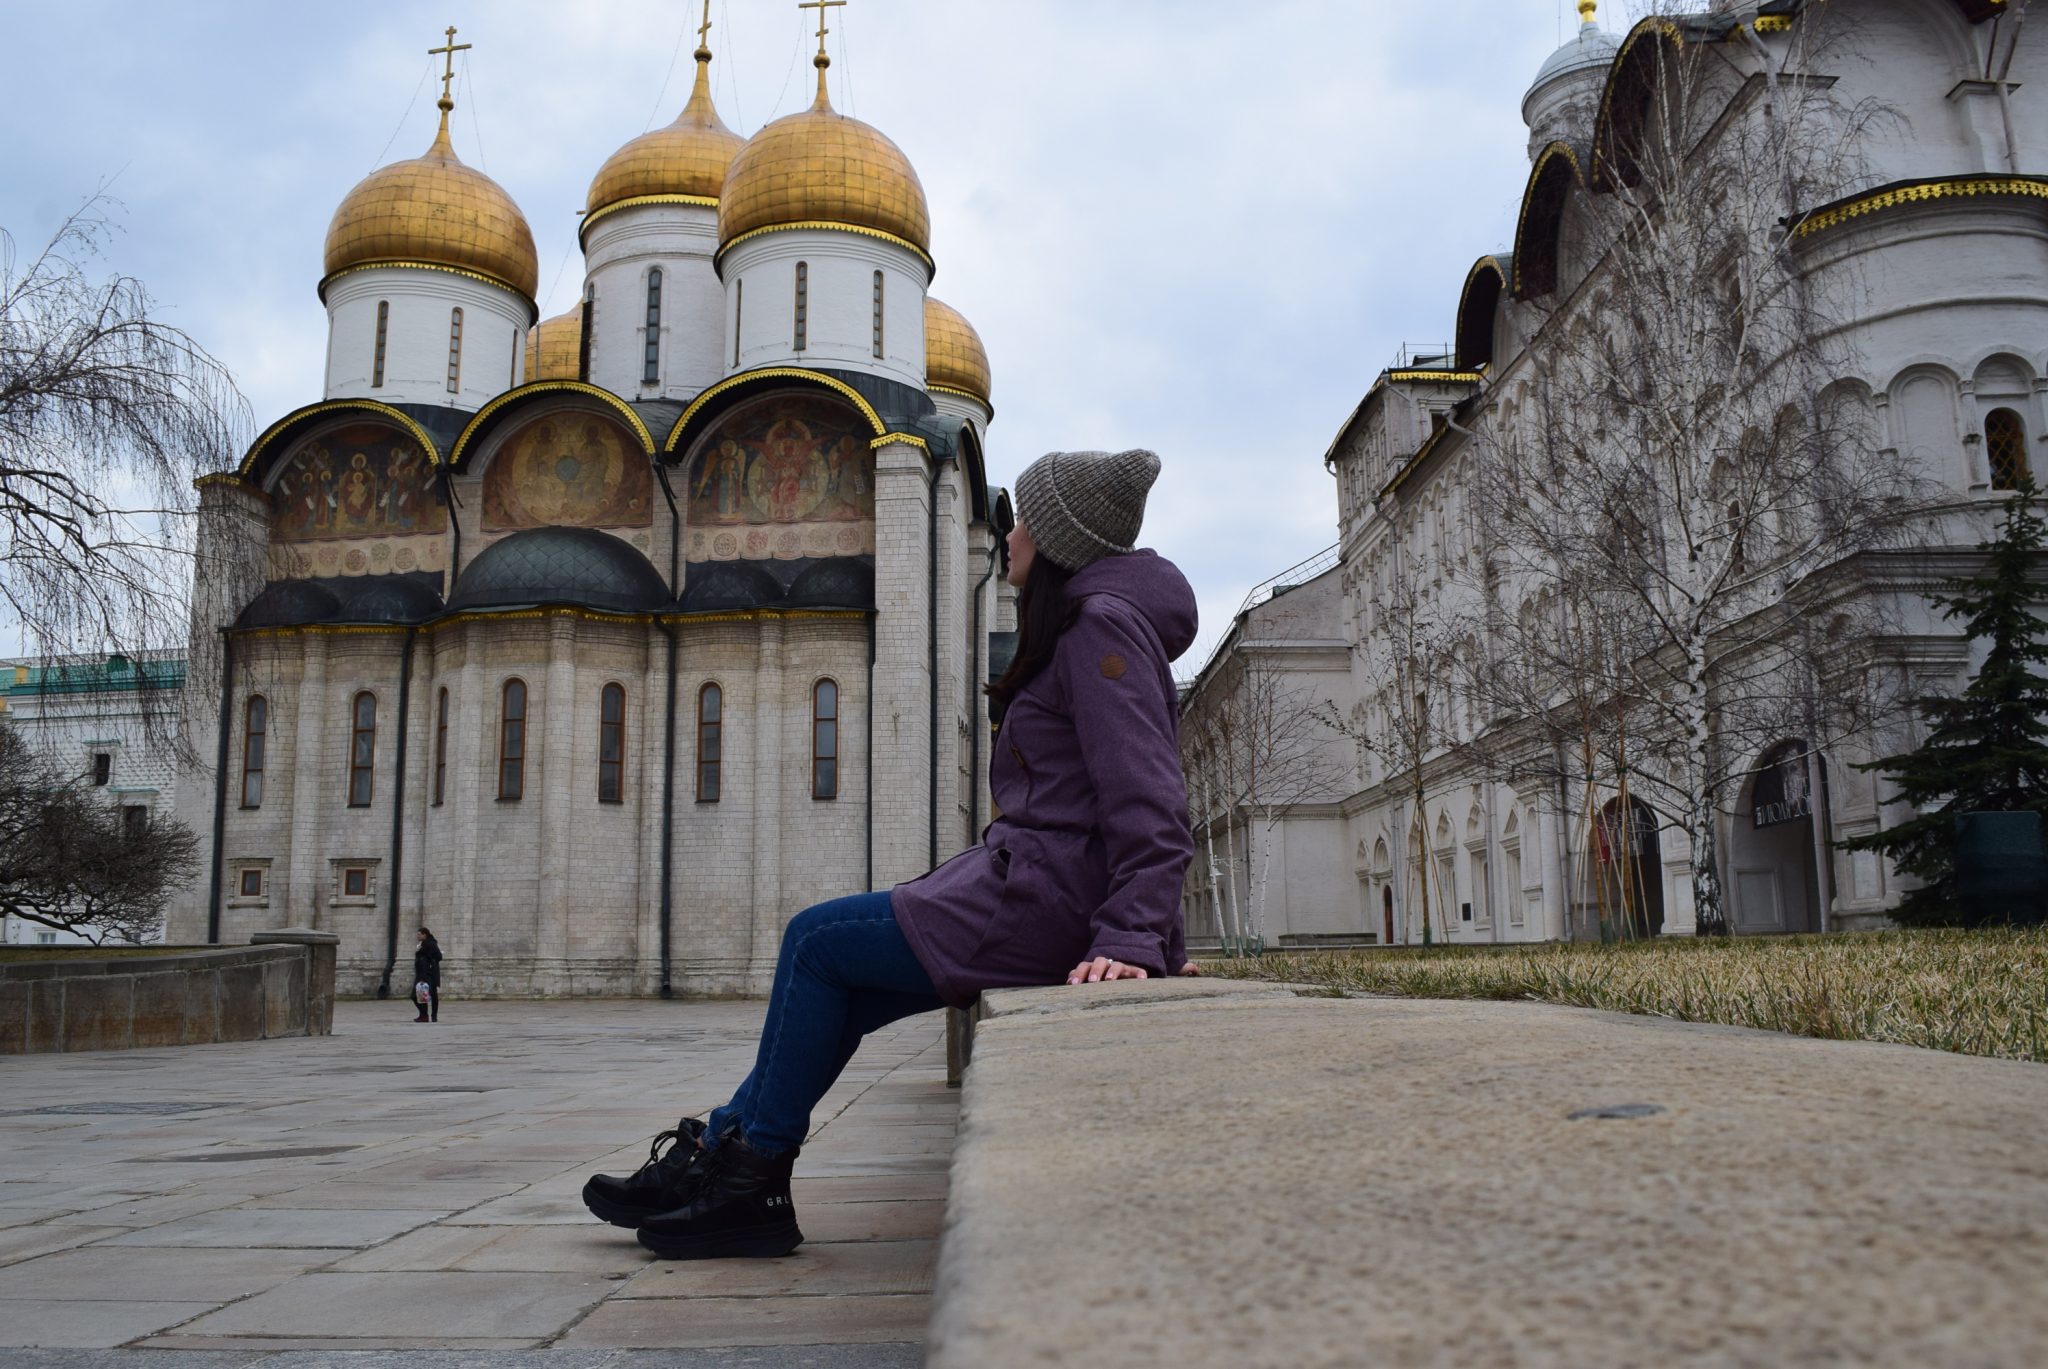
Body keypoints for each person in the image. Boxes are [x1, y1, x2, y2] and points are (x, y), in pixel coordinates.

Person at [583, 448, 1199, 1261]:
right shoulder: (1091, 623)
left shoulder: (1099, 627)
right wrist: (1156, 940)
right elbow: (1114, 792)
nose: (1010, 531)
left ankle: (750, 1173)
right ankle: (725, 1156)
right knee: (841, 987)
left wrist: (1135, 939)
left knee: (814, 941)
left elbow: (1150, 796)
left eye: (1025, 520)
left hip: (1040, 901)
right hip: (1033, 887)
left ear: (1055, 540)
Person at [412, 927, 442, 1023]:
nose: (417, 936)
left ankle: (432, 1016)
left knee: (432, 994)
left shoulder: (431, 944)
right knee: (417, 994)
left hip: (429, 974)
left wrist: (429, 961)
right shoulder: (422, 944)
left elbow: (439, 956)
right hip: (421, 973)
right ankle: (423, 1014)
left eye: (419, 934)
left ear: (425, 934)